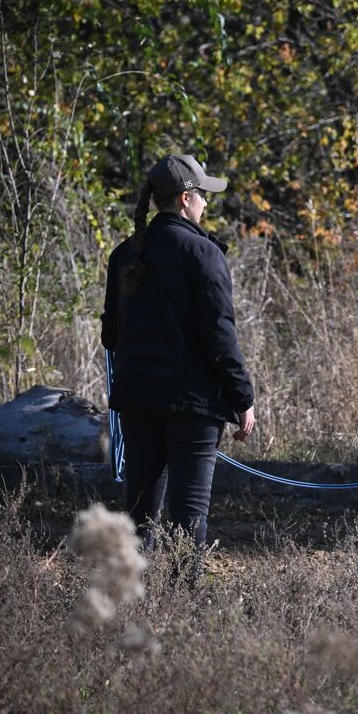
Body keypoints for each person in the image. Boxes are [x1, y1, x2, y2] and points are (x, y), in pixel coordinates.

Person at [100, 153, 256, 570]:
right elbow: (220, 335)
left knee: (137, 514)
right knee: (189, 514)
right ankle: (182, 610)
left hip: (137, 399)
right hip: (193, 403)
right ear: (186, 198)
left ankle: (128, 601)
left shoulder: (124, 255)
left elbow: (110, 336)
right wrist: (243, 398)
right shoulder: (202, 253)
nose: (207, 203)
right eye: (204, 195)